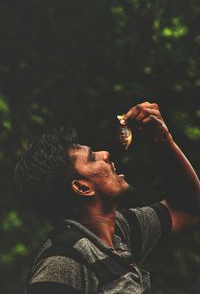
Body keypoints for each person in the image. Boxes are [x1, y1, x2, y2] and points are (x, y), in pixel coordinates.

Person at [15, 102, 200, 294]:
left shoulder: (120, 230)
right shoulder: (62, 262)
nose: (105, 154)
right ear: (82, 187)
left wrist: (164, 141)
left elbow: (190, 208)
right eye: (92, 157)